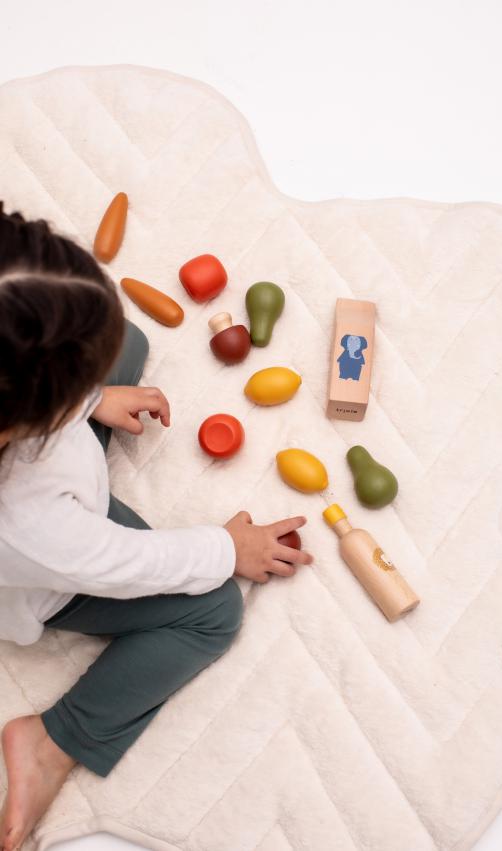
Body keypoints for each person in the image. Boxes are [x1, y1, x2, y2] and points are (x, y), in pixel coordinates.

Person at [0, 201, 313, 851]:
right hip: (52, 572)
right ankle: (52, 741)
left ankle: (76, 384)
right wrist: (226, 548)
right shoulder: (30, 521)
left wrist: (91, 398)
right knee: (214, 609)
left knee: (126, 342)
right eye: (70, 389)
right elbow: (124, 562)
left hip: (48, 469)